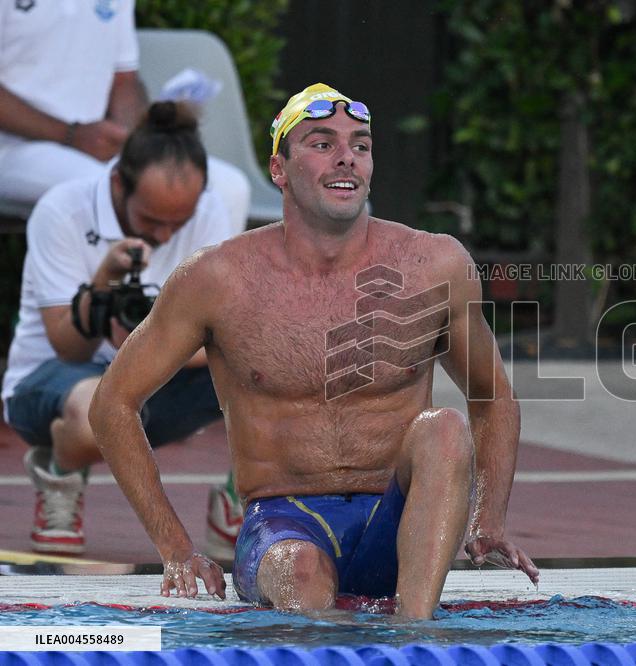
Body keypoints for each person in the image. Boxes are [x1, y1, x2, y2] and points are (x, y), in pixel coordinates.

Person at [88, 83, 539, 618]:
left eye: (360, 145)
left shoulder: (435, 265)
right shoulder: (217, 278)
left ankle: (417, 636)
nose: (347, 156)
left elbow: (493, 396)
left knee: (443, 427)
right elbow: (112, 403)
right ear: (279, 169)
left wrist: (488, 519)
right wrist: (176, 548)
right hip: (283, 524)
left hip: (400, 523)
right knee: (300, 574)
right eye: (323, 144)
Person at [2, 101, 240, 557]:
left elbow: (221, 337)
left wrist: (149, 344)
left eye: (179, 223)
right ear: (117, 184)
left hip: (161, 376)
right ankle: (61, 470)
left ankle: (240, 499)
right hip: (57, 381)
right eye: (151, 220)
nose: (165, 235)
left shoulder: (208, 211)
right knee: (97, 412)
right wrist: (103, 282)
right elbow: (68, 347)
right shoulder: (63, 210)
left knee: (273, 370)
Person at [0, 0, 250, 237]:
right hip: (13, 149)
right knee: (112, 190)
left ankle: (193, 272)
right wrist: (71, 135)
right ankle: (127, 270)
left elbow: (124, 80)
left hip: (94, 147)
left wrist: (135, 140)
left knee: (230, 188)